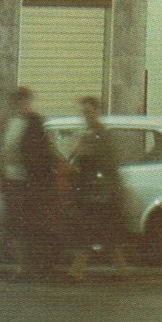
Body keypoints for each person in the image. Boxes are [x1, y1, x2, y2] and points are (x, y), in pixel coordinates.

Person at [65, 97, 128, 280]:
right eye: (84, 112)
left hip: (100, 192)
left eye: (89, 112)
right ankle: (120, 269)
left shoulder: (100, 133)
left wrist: (83, 150)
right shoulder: (86, 133)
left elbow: (107, 163)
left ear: (96, 112)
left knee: (95, 232)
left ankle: (78, 271)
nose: (86, 116)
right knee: (101, 233)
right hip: (89, 191)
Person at [1, 88, 58, 280]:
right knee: (14, 224)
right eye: (20, 102)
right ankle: (21, 266)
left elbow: (43, 153)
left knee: (32, 225)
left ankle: (34, 267)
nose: (24, 105)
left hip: (31, 183)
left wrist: (23, 159)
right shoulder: (6, 122)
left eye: (26, 102)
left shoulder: (36, 122)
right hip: (11, 181)